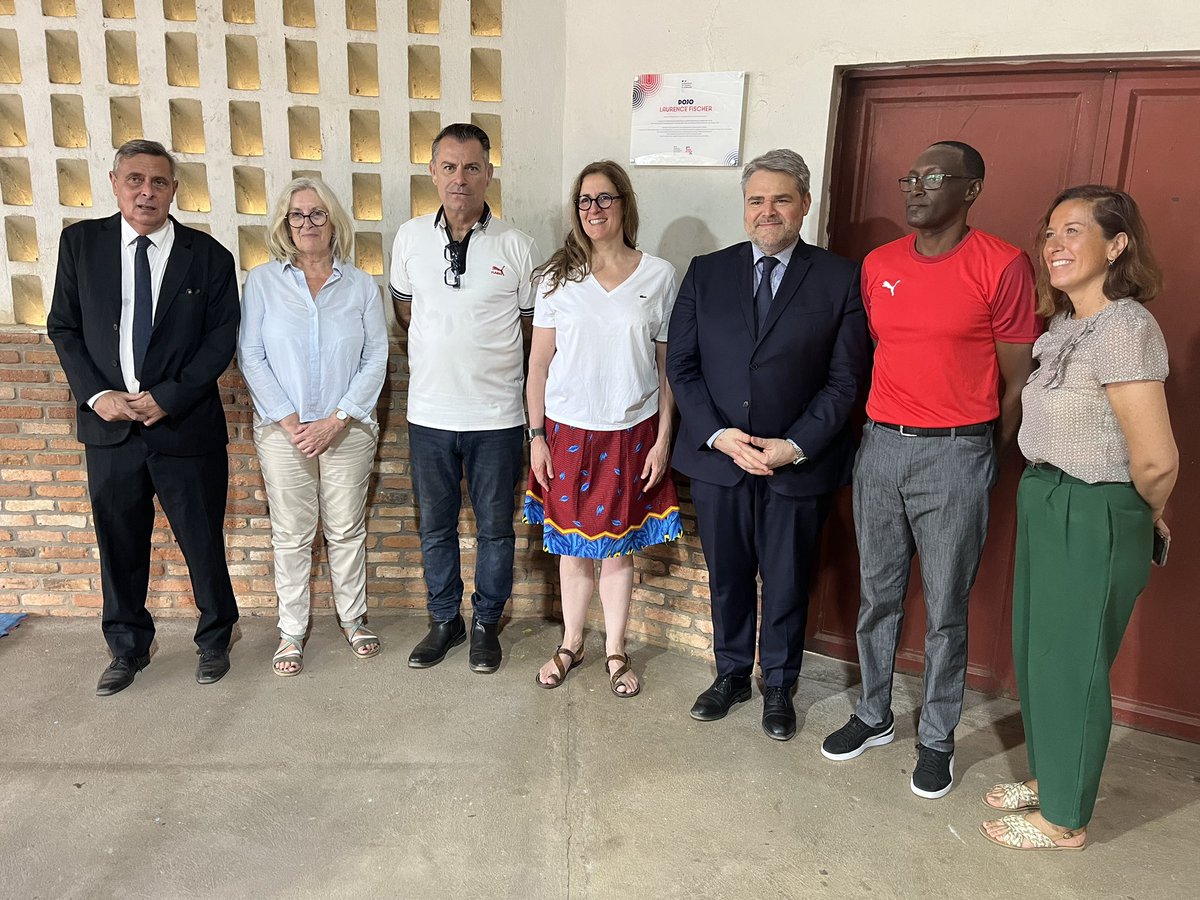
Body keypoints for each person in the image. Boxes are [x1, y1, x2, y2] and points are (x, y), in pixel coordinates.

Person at [821, 141, 1040, 799]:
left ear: (971, 189)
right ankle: (874, 713)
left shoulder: (1002, 266)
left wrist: (974, 450)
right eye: (909, 176)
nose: (915, 187)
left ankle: (937, 739)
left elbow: (1016, 379)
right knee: (877, 591)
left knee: (946, 608)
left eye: (933, 177)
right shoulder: (879, 266)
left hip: (956, 451)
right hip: (881, 446)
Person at [980, 186, 1177, 851]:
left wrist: (1145, 512)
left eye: (1074, 231)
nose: (1055, 246)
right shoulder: (1065, 326)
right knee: (1041, 655)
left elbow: (1155, 456)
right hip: (1045, 496)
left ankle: (1065, 819)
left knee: (1075, 665)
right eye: (1050, 234)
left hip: (1095, 507)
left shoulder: (1125, 327)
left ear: (1117, 245)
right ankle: (1053, 774)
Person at [667, 149, 872, 741]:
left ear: (804, 205)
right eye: (756, 200)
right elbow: (683, 365)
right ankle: (730, 674)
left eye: (781, 199)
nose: (767, 211)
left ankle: (779, 684)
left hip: (795, 466)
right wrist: (719, 434)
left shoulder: (839, 277)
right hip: (720, 460)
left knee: (786, 580)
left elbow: (845, 380)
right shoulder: (706, 272)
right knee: (726, 575)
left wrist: (795, 445)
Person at [47, 139, 240, 695]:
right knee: (120, 543)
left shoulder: (209, 256)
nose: (146, 191)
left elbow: (220, 340)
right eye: (135, 179)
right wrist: (96, 395)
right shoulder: (81, 244)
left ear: (175, 190)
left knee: (202, 540)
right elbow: (63, 326)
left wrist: (170, 396)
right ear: (114, 183)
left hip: (185, 426)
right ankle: (128, 648)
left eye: (159, 182)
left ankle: (214, 639)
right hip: (110, 430)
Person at [525, 161, 683, 696]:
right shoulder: (555, 277)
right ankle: (572, 643)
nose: (594, 209)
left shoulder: (659, 275)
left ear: (625, 204)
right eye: (585, 201)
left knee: (618, 549)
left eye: (605, 199)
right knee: (573, 548)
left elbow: (667, 371)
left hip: (632, 432)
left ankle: (616, 650)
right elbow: (539, 366)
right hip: (568, 432)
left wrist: (663, 440)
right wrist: (536, 437)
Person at [389, 123, 542, 674]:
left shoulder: (518, 246)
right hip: (429, 415)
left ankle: (485, 625)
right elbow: (405, 312)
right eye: (449, 167)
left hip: (498, 419)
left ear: (488, 174)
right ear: (432, 172)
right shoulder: (408, 238)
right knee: (436, 527)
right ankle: (443, 621)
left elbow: (530, 330)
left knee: (496, 531)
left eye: (472, 167)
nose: (460, 178)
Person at [238, 177, 389, 676]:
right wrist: (290, 419)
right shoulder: (261, 282)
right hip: (283, 433)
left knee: (346, 528)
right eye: (297, 215)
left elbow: (375, 358)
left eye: (317, 214)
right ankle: (291, 631)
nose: (307, 223)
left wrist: (336, 419)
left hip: (347, 430)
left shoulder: (363, 286)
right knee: (292, 534)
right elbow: (252, 356)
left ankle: (353, 618)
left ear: (334, 221)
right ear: (285, 223)